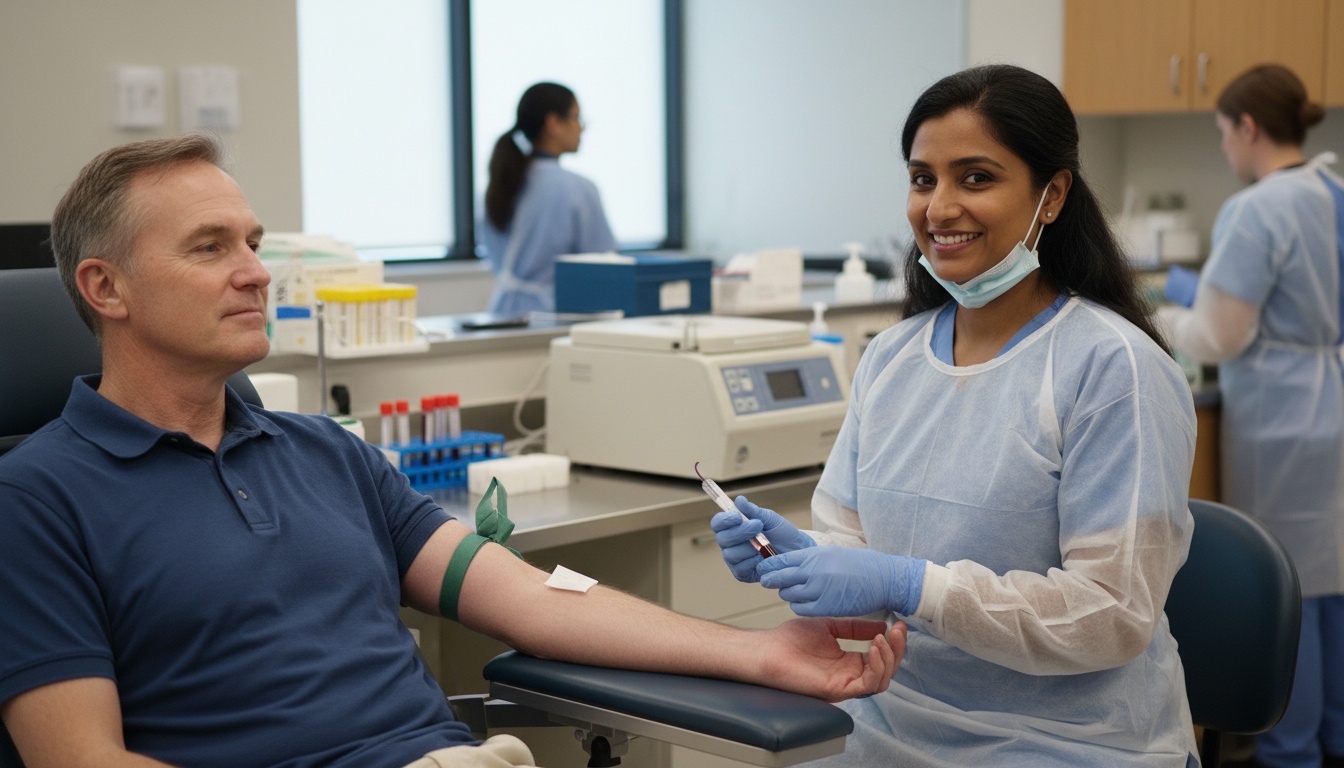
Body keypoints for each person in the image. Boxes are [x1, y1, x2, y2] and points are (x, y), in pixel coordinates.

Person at [0, 134, 904, 768]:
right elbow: (80, 758)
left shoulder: (326, 453)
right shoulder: (37, 500)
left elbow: (532, 599)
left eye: (252, 243)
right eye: (210, 247)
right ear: (104, 287)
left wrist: (759, 653)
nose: (255, 271)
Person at [712, 64, 1200, 766]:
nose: (939, 208)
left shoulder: (1112, 368)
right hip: (887, 724)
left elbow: (1112, 613)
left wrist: (915, 584)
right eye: (922, 179)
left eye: (976, 178)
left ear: (1052, 195)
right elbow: (863, 583)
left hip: (1073, 742)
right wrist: (801, 566)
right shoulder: (890, 359)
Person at [1159, 63, 1344, 768]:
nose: (1224, 150)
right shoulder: (1331, 188)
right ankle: (1330, 738)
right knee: (1330, 584)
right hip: (1331, 398)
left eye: (1221, 134)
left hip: (1283, 415)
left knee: (1287, 581)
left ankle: (1290, 751)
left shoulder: (1258, 206)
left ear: (1247, 127)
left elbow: (1219, 335)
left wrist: (1159, 316)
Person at [481, 82, 616, 314]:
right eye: (576, 117)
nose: (581, 128)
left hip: (501, 314)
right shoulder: (578, 189)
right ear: (553, 123)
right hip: (554, 316)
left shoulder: (500, 185)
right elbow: (603, 266)